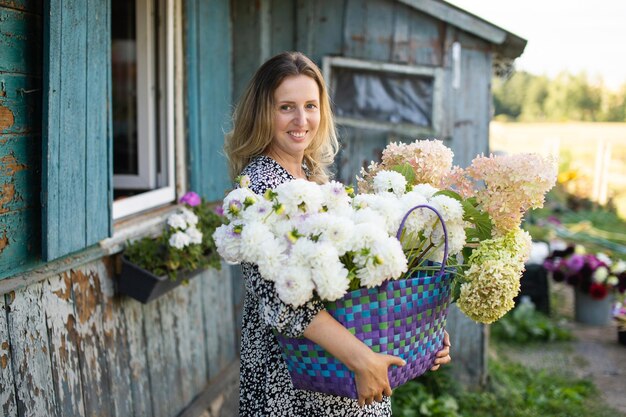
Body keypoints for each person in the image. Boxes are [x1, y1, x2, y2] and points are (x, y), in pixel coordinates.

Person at [225, 51, 452, 417]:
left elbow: (353, 288)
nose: (301, 120)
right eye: (286, 107)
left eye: (310, 106)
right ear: (263, 112)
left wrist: (419, 333)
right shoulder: (259, 189)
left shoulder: (312, 177)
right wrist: (363, 360)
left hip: (345, 378)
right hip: (295, 391)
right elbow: (283, 304)